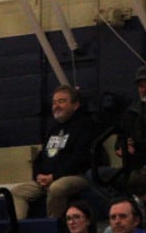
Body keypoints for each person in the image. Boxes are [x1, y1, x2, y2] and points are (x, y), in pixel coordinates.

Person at [10, 85, 94, 219]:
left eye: (62, 101)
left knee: (57, 188)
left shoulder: (84, 126)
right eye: (54, 102)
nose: (56, 106)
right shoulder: (53, 130)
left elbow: (79, 158)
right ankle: (18, 232)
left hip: (76, 177)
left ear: (75, 105)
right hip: (48, 179)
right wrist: (39, 176)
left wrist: (54, 176)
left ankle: (53, 228)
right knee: (17, 192)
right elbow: (41, 157)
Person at [115, 66, 146, 197]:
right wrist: (121, 147)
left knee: (135, 179)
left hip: (140, 164)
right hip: (134, 163)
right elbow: (121, 137)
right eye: (141, 86)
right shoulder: (131, 111)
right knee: (94, 175)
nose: (145, 90)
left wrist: (136, 145)